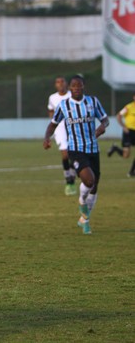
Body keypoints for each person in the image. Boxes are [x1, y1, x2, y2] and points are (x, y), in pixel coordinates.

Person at [43, 75, 110, 235]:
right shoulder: (64, 105)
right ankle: (81, 201)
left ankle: (84, 219)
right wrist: (46, 138)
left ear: (83, 87)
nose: (77, 88)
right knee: (89, 179)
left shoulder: (93, 102)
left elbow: (105, 119)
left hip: (93, 149)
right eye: (74, 86)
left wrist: (101, 127)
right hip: (76, 149)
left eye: (79, 86)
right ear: (70, 88)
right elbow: (53, 124)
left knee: (94, 187)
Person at [48, 76, 77, 195]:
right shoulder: (52, 98)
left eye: (62, 81)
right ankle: (68, 180)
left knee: (74, 154)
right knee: (65, 154)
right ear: (56, 85)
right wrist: (53, 125)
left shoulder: (72, 95)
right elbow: (51, 111)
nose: (60, 84)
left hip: (73, 127)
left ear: (66, 84)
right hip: (60, 129)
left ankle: (73, 177)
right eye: (58, 82)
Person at [108, 92, 135, 177]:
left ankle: (131, 172)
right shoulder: (129, 107)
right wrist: (123, 126)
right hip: (128, 132)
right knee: (126, 155)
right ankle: (115, 148)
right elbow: (119, 116)